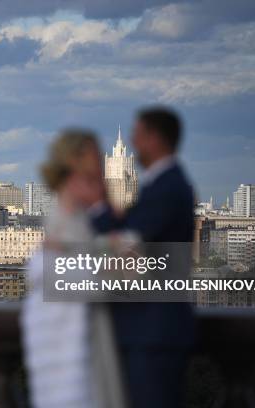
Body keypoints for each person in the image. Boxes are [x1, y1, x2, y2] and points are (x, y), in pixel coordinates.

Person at [89, 107, 195, 408]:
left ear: (155, 139)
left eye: (138, 136)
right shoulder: (164, 184)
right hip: (154, 330)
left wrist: (97, 204)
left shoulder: (166, 188)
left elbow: (127, 242)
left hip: (155, 332)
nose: (133, 145)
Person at [21, 129, 127, 408]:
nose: (104, 180)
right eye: (94, 174)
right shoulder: (68, 230)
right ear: (72, 174)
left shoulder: (78, 226)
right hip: (74, 379)